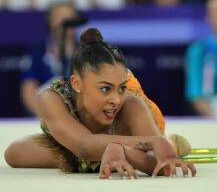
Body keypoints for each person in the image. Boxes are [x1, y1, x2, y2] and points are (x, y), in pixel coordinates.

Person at [5, 28, 196, 179]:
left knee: (161, 145)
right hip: (76, 145)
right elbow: (85, 146)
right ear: (76, 84)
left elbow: (160, 165)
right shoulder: (50, 98)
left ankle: (172, 142)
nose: (116, 99)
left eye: (121, 88)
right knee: (15, 153)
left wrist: (129, 150)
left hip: (131, 134)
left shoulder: (131, 105)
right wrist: (151, 142)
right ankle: (96, 158)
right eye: (105, 89)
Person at [21, 2, 78, 116]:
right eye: (58, 17)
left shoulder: (88, 52)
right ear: (50, 22)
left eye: (68, 17)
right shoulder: (37, 52)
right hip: (44, 117)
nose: (64, 21)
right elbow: (28, 89)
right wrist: (46, 118)